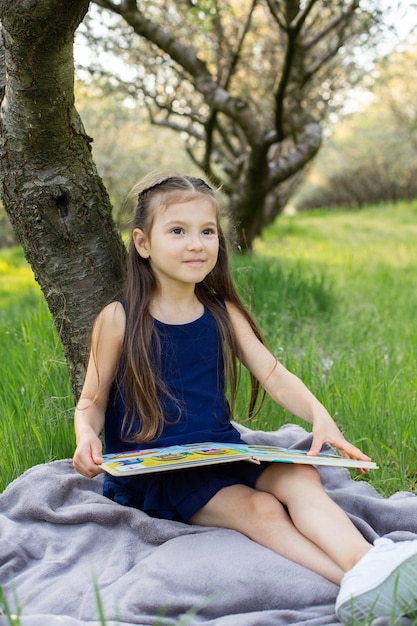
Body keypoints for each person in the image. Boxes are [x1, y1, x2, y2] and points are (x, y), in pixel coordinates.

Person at [73, 174, 417, 625]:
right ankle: (353, 578)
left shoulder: (221, 311)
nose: (196, 243)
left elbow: (272, 374)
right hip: (159, 469)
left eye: (207, 231)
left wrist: (320, 416)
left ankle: (369, 561)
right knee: (261, 508)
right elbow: (91, 401)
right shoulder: (118, 319)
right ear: (143, 243)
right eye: (177, 231)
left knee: (299, 479)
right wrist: (85, 437)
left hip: (223, 449)